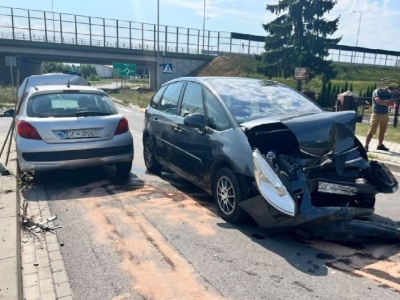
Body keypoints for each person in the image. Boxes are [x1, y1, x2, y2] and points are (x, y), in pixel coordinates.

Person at [364, 86, 397, 152]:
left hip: (385, 114)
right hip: (376, 114)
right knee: (371, 131)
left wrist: (384, 102)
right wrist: (387, 102)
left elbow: (391, 104)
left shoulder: (389, 93)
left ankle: (380, 145)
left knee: (382, 131)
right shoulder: (377, 91)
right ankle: (366, 146)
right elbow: (378, 101)